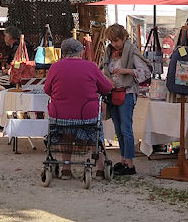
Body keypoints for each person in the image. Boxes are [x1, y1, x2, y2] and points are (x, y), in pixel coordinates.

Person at [44, 37, 112, 175]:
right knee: (96, 133)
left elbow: (47, 90)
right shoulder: (91, 67)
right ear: (81, 52)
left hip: (60, 115)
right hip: (87, 115)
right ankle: (99, 168)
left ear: (63, 53)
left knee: (66, 134)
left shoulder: (55, 67)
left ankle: (66, 169)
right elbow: (106, 88)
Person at [100, 24, 151, 176]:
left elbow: (146, 72)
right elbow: (105, 71)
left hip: (127, 93)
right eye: (111, 41)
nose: (113, 44)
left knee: (126, 128)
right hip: (112, 93)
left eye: (116, 40)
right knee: (118, 130)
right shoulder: (109, 52)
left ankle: (130, 164)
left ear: (124, 38)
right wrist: (108, 80)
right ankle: (122, 160)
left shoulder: (132, 51)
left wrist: (125, 71)